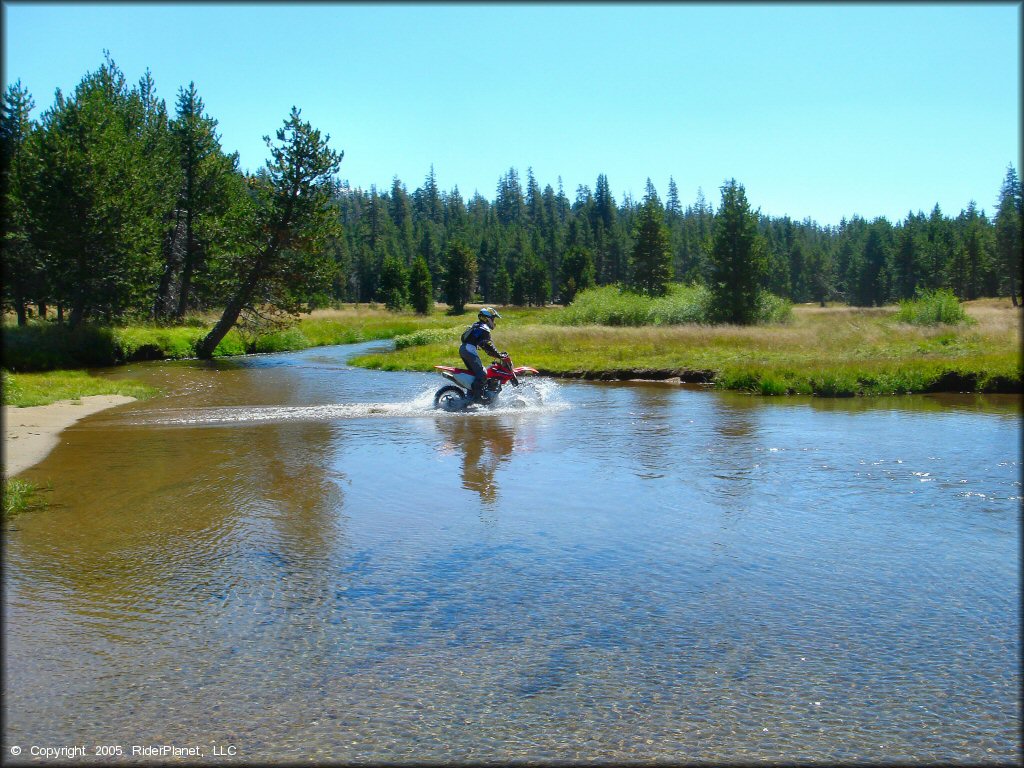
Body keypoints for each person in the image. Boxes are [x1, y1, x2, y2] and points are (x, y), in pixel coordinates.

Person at [459, 307, 505, 403]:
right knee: (483, 374)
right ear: (487, 318)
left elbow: (483, 345)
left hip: (464, 349)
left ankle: (470, 396)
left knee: (475, 374)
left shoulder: (476, 325)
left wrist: (494, 353)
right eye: (493, 318)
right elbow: (488, 345)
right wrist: (498, 355)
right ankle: (477, 398)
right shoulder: (484, 328)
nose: (493, 321)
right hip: (469, 350)